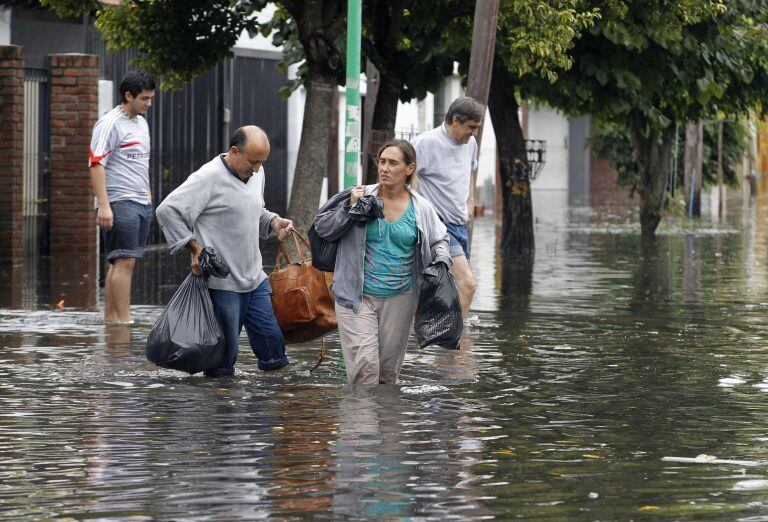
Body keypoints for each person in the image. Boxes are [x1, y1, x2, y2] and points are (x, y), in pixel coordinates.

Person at [155, 126, 294, 377]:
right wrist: (194, 247)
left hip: (255, 278)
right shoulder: (207, 177)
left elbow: (253, 210)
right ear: (234, 151)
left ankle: (274, 405)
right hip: (222, 283)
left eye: (262, 163)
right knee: (223, 361)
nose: (257, 169)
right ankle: (222, 411)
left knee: (274, 349)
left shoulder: (257, 172)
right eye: (253, 162)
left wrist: (273, 222)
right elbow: (167, 210)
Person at [314, 139, 451, 385]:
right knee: (366, 371)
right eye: (382, 162)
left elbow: (440, 240)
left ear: (409, 169)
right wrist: (349, 209)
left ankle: (386, 422)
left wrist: (441, 261)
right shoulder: (360, 196)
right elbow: (322, 228)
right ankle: (361, 423)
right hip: (356, 298)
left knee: (388, 376)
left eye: (393, 163)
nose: (384, 168)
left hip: (399, 299)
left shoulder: (421, 208)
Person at [89, 71, 156, 323]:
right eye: (144, 99)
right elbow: (96, 164)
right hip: (120, 202)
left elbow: (141, 161)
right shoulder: (109, 123)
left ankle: (111, 320)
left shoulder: (141, 122)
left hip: (141, 201)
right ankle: (125, 322)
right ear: (128, 96)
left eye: (151, 98)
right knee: (124, 263)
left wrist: (147, 191)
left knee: (119, 262)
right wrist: (104, 206)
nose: (149, 104)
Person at [411, 96, 485, 319]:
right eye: (471, 127)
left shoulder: (469, 143)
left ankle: (436, 341)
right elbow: (404, 178)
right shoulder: (425, 143)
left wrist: (470, 203)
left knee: (444, 290)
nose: (474, 133)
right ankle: (459, 344)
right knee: (467, 284)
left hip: (460, 223)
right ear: (455, 120)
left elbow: (469, 172)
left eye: (477, 128)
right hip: (437, 226)